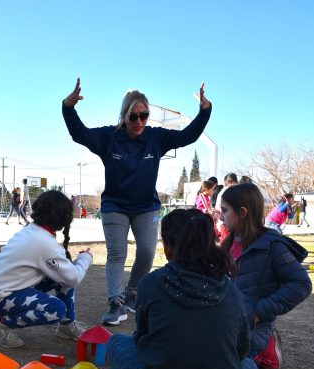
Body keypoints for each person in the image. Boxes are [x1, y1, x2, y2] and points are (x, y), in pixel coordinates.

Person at [62, 78, 212, 326]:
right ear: (124, 116)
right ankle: (115, 302)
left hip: (146, 207)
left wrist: (204, 111)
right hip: (115, 206)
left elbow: (188, 136)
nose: (140, 121)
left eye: (144, 115)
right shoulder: (109, 137)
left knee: (146, 251)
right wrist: (68, 108)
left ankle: (132, 293)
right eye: (134, 116)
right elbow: (80, 134)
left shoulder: (156, 137)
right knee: (117, 254)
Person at [106, 209, 257, 369]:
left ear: (167, 248)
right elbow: (242, 350)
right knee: (250, 366)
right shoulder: (232, 291)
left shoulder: (151, 283)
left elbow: (142, 338)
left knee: (117, 342)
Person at [0, 191, 93, 348]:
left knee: (63, 279)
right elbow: (74, 278)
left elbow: (67, 277)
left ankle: (66, 326)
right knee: (56, 309)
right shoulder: (43, 242)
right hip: (3, 297)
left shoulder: (32, 230)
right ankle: (3, 322)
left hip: (8, 288)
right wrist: (85, 259)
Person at [219, 183, 312, 369]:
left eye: (225, 210)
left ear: (243, 212)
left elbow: (301, 284)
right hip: (225, 326)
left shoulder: (273, 246)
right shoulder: (227, 244)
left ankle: (267, 346)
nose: (221, 216)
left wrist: (259, 312)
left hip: (251, 329)